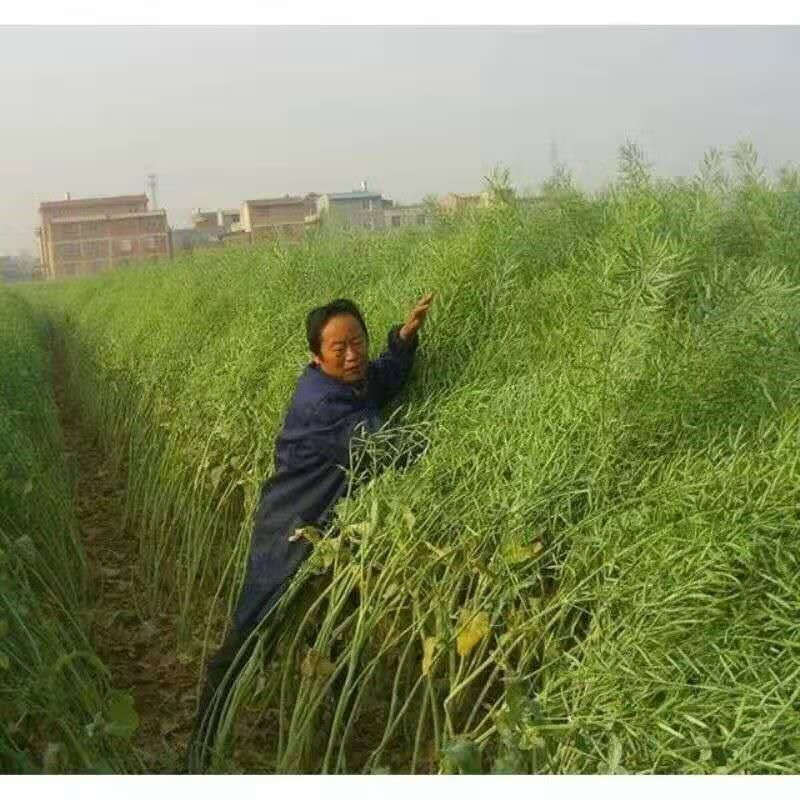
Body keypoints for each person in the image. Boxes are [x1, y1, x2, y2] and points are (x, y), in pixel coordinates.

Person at [186, 292, 434, 772]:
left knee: (328, 632)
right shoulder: (321, 404)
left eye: (357, 341)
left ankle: (326, 734)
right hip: (289, 531)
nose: (352, 353)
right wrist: (443, 439)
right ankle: (201, 751)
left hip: (325, 530)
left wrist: (403, 340)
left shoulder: (346, 384)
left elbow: (379, 380)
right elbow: (385, 450)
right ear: (315, 357)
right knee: (251, 634)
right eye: (339, 347)